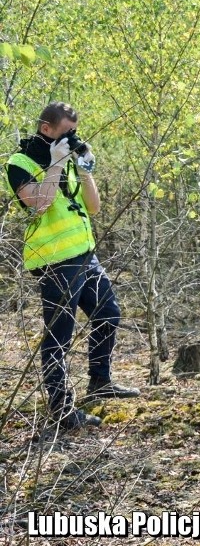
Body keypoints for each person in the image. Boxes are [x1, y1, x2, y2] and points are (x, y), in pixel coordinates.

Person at [4, 102, 139, 430]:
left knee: (109, 312)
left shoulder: (68, 160)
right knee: (58, 337)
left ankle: (100, 382)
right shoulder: (19, 162)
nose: (70, 138)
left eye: (74, 133)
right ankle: (62, 411)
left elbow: (92, 208)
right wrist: (56, 164)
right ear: (46, 128)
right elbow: (38, 204)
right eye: (65, 133)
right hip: (53, 261)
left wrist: (84, 168)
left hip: (84, 254)